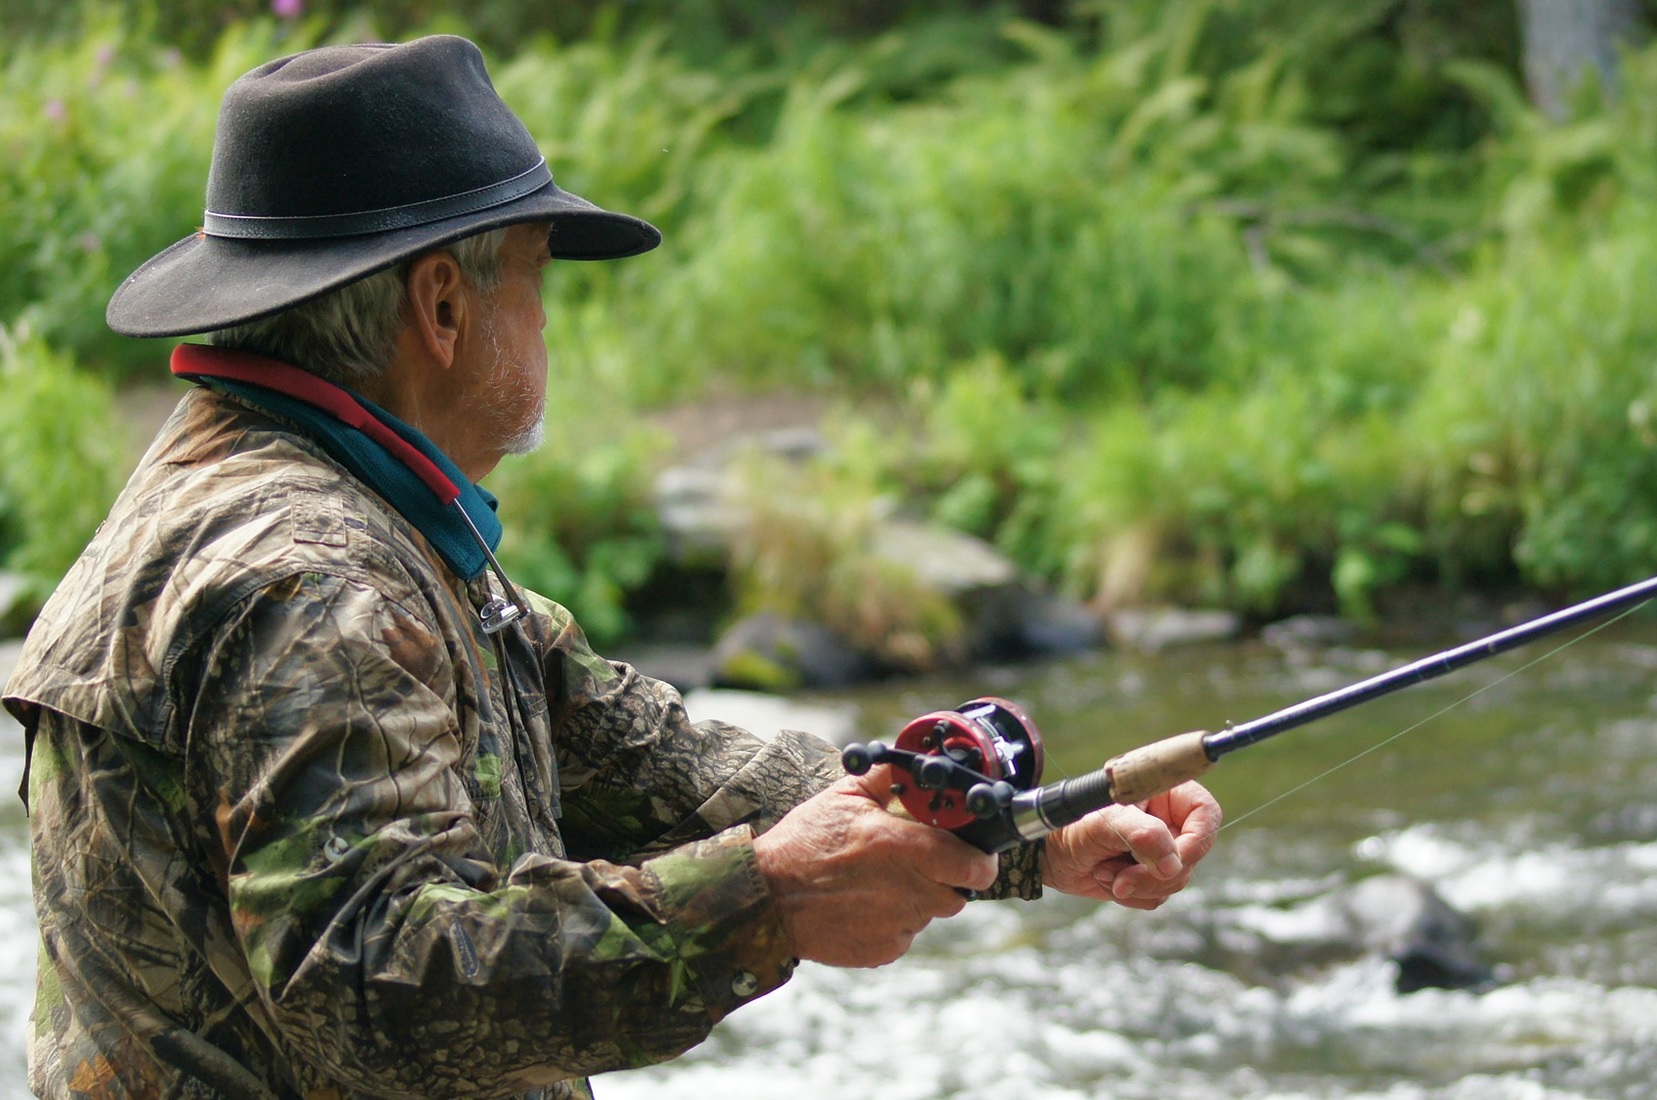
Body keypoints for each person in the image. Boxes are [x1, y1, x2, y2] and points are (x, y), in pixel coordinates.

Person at [2, 34, 1221, 1099]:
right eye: (537, 274)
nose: (545, 323)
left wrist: (1022, 832)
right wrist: (767, 899)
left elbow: (651, 759)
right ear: (442, 305)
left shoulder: (329, 509)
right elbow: (372, 982)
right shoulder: (312, 576)